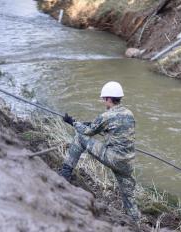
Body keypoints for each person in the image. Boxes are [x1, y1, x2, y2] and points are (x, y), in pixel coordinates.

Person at [59, 81, 140, 224]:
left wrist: (72, 122)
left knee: (80, 137)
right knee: (129, 197)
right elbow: (112, 127)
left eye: (104, 99)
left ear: (109, 99)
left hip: (113, 157)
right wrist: (92, 123)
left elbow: (88, 132)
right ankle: (136, 226)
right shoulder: (129, 114)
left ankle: (65, 173)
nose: (103, 101)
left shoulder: (106, 116)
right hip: (128, 162)